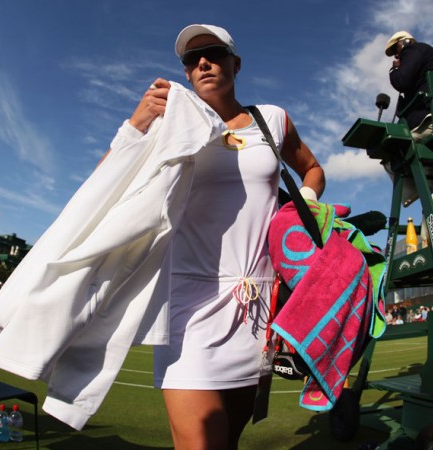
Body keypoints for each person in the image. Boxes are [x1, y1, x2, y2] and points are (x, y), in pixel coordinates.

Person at [121, 24, 325, 449]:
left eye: (213, 53)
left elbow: (312, 168)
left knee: (227, 439)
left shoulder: (273, 120)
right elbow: (109, 182)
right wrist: (137, 124)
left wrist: (299, 206)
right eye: (191, 59)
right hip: (187, 308)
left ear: (236, 63)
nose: (202, 63)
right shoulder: (168, 126)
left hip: (257, 312)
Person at [384, 31, 433, 206]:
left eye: (396, 50)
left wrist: (394, 68)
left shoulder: (413, 51)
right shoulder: (432, 60)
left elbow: (401, 81)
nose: (396, 55)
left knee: (389, 151)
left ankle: (421, 193)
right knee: (432, 166)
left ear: (402, 43)